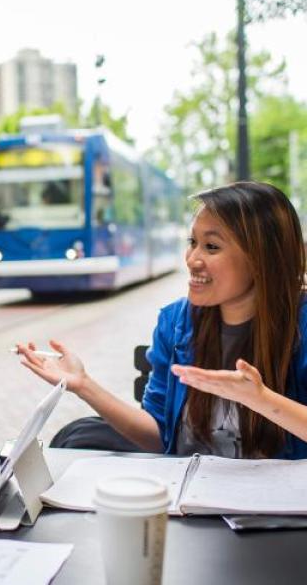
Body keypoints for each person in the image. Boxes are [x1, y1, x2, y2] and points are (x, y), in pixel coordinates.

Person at [17, 181, 307, 461]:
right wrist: (83, 385)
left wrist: (261, 400)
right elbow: (160, 438)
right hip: (186, 501)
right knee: (76, 437)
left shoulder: (301, 324)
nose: (192, 258)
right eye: (193, 242)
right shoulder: (176, 323)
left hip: (278, 508)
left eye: (212, 247)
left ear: (262, 257)